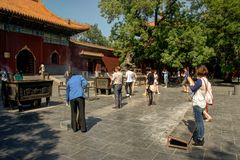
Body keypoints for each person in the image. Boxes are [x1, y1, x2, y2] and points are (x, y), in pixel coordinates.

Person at [187, 65, 209, 146]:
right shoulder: (205, 80)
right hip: (202, 102)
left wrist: (189, 81)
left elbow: (193, 89)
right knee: (201, 122)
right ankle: (200, 137)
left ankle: (200, 139)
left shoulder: (200, 81)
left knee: (199, 122)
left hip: (198, 103)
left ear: (199, 72)